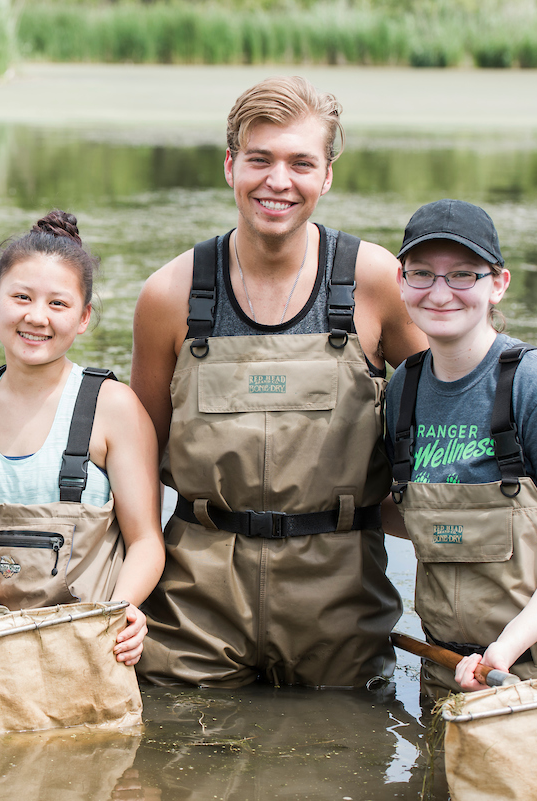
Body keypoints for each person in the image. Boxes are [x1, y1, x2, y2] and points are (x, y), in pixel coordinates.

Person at [130, 76, 427, 689]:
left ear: (328, 176)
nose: (278, 181)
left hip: (340, 603)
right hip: (195, 605)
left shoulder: (378, 284)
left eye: (301, 163)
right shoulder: (168, 296)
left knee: (346, 766)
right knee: (175, 763)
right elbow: (135, 467)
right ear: (230, 164)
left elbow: (453, 417)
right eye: (260, 159)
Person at [383, 198, 537, 698]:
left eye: (463, 275)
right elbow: (416, 517)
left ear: (498, 284)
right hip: (451, 669)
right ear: (401, 283)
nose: (440, 292)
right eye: (423, 273)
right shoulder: (402, 390)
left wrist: (505, 649)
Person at [0, 211, 165, 666]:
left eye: (58, 304)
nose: (36, 317)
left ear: (85, 317)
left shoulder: (114, 407)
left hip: (88, 652)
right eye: (22, 297)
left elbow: (146, 540)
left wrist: (123, 608)